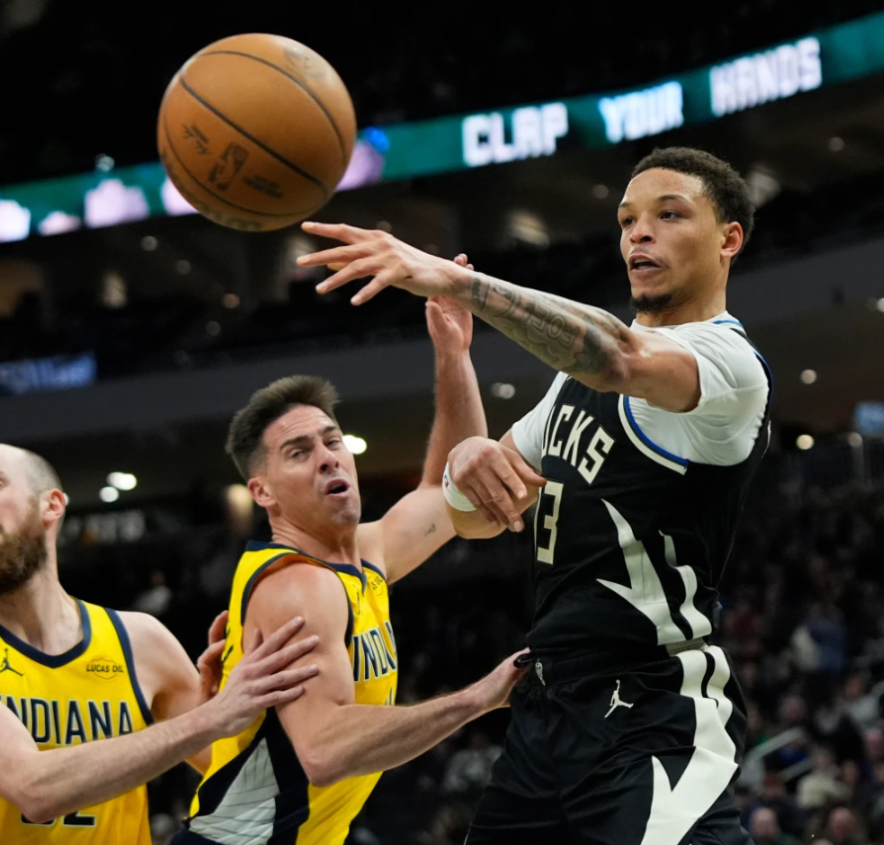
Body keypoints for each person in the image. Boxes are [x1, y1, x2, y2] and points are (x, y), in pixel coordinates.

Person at [300, 146, 772, 844]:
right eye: (627, 220)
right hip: (546, 708)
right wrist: (465, 440)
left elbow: (616, 356)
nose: (639, 234)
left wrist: (463, 286)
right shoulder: (570, 386)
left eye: (669, 215)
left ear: (728, 238)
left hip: (649, 703)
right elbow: (469, 513)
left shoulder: (730, 365)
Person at [175, 290, 528, 844]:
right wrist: (477, 699)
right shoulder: (296, 586)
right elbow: (323, 748)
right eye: (299, 452)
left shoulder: (364, 556)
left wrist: (453, 355)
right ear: (261, 492)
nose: (328, 457)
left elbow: (446, 492)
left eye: (332, 440)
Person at [0, 442, 320, 842]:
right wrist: (213, 718)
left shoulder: (140, 640)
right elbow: (33, 788)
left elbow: (241, 776)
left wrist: (253, 703)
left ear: (51, 505)